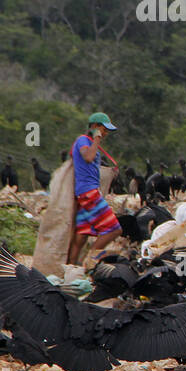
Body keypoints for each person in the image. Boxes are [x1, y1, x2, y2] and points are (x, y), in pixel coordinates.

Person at [67, 112, 121, 265]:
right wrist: (96, 138)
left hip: (86, 192)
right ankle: (89, 263)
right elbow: (88, 157)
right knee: (115, 230)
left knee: (81, 235)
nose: (105, 134)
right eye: (103, 129)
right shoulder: (83, 140)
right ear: (95, 127)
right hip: (88, 193)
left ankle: (70, 269)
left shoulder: (88, 143)